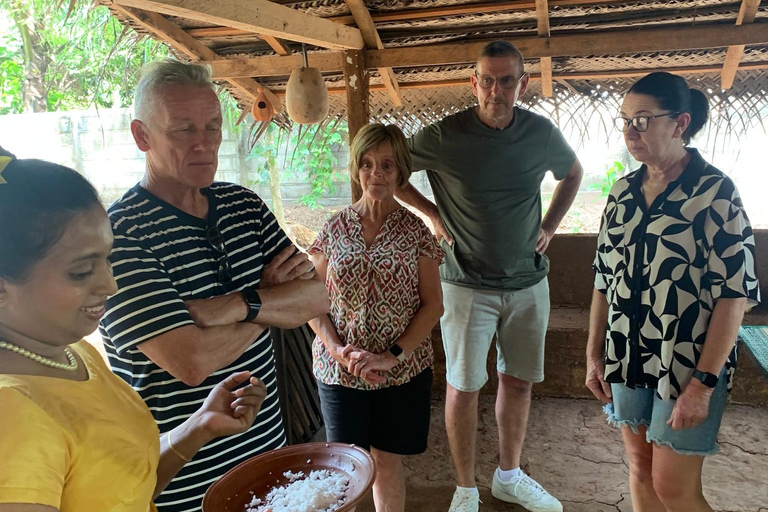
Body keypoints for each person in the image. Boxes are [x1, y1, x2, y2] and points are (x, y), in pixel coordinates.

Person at [98, 60, 329, 512]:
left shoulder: (244, 206)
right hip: (182, 483)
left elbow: (317, 296)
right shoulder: (119, 237)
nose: (204, 143)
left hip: (268, 459)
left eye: (213, 126)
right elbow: (192, 361)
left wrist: (237, 303)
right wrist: (266, 303)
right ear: (142, 136)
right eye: (183, 130)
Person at [0, 158, 269, 511]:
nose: (110, 285)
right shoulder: (13, 414)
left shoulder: (73, 352)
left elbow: (122, 487)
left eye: (108, 259)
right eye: (82, 272)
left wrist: (200, 425)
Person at [397, 41, 584, 512]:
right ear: (473, 82)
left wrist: (550, 226)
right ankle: (465, 488)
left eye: (506, 80)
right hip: (464, 284)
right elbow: (391, 170)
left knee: (518, 381)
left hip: (527, 283)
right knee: (463, 387)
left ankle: (509, 476)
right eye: (486, 79)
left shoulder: (540, 133)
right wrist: (431, 214)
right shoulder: (443, 136)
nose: (495, 89)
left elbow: (573, 172)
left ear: (521, 84)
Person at [586, 72, 760, 512]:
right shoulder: (621, 195)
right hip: (627, 352)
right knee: (640, 470)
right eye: (624, 120)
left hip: (686, 361)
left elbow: (734, 295)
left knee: (674, 487)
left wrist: (703, 383)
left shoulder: (715, 193)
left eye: (642, 121)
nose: (630, 131)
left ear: (680, 124)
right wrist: (594, 355)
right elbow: (603, 280)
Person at [307, 124, 444, 512]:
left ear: (401, 171)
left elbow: (433, 304)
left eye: (386, 165)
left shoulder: (415, 231)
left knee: (386, 460)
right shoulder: (334, 228)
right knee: (344, 467)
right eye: (367, 164)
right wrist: (337, 351)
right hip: (340, 371)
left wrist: (391, 356)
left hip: (399, 372)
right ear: (356, 169)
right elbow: (311, 300)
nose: (376, 174)